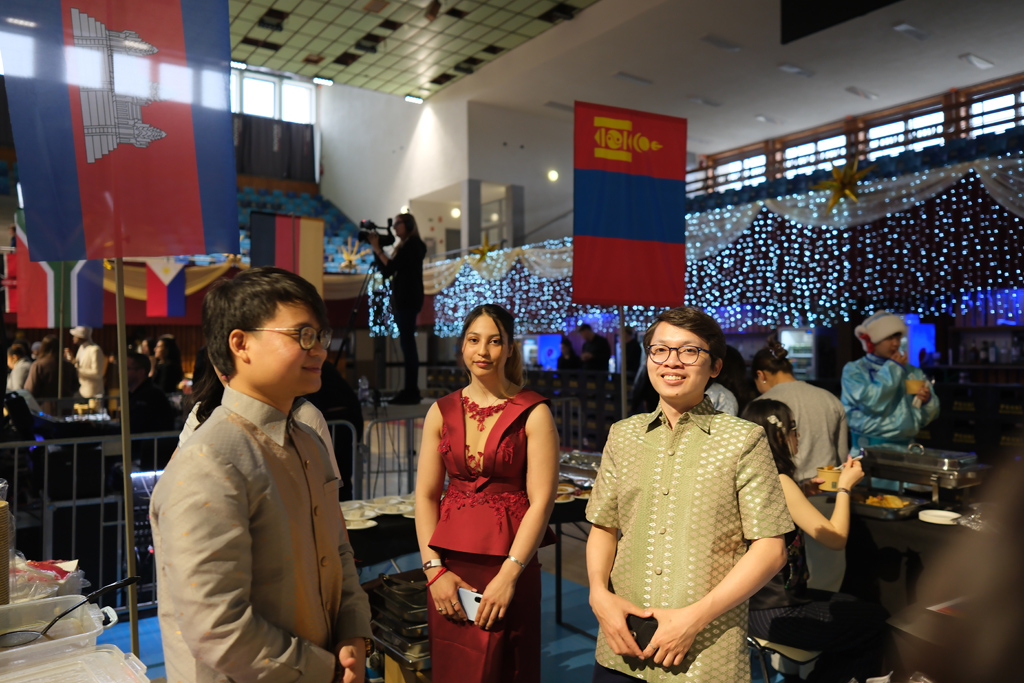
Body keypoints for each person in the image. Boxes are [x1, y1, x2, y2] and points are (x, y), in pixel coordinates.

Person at [150, 267, 372, 683]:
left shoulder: (308, 441)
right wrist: (324, 670)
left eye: (321, 336)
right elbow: (218, 626)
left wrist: (353, 630)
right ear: (241, 344)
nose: (319, 351)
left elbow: (338, 550)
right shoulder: (210, 460)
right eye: (302, 335)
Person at [586, 306, 791, 682]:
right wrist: (598, 594)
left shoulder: (743, 439)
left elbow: (771, 549)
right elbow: (604, 526)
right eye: (660, 350)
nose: (672, 362)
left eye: (689, 351)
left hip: (704, 653)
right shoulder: (623, 435)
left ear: (715, 366)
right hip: (621, 643)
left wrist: (694, 619)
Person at [414, 303, 559, 682]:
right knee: (454, 667)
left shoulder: (534, 411)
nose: (483, 351)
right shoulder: (441, 411)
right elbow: (426, 496)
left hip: (512, 561)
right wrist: (434, 571)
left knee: (511, 666)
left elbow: (542, 501)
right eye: (474, 340)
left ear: (510, 348)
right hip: (449, 564)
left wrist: (509, 575)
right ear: (462, 346)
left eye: (495, 341)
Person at [740, 399, 889, 683]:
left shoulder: (752, 477)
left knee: (852, 605)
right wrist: (844, 487)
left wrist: (803, 490)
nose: (798, 436)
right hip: (776, 610)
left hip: (751, 606)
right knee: (877, 622)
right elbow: (836, 538)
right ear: (778, 436)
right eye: (793, 428)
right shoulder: (779, 481)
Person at [841, 311, 940, 455]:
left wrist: (927, 401)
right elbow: (872, 403)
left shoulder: (913, 372)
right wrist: (894, 368)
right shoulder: (855, 370)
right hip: (867, 454)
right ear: (873, 341)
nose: (896, 343)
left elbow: (928, 416)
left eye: (898, 338)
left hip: (908, 452)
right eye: (889, 338)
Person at [752, 338, 848, 482]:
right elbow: (842, 455)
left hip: (785, 488)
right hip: (828, 485)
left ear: (761, 375)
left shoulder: (760, 408)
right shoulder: (830, 399)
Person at [368, 212, 427, 404]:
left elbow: (391, 267)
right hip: (405, 300)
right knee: (406, 344)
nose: (394, 228)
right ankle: (410, 390)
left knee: (408, 345)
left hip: (408, 300)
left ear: (408, 224)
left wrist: (377, 249)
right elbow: (387, 271)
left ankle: (411, 391)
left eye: (397, 224)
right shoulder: (407, 245)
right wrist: (378, 251)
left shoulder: (414, 245)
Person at [25, 334, 78, 415]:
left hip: (44, 408)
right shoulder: (69, 366)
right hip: (66, 408)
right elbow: (75, 386)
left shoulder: (38, 365)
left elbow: (30, 389)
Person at [125, 352, 176, 434]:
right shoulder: (132, 394)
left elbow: (137, 427)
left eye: (127, 368)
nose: (120, 372)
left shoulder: (153, 395)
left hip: (149, 441)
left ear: (141, 372)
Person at [65, 326, 106, 399]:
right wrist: (72, 361)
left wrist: (77, 370)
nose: (73, 338)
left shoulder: (95, 350)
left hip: (92, 393)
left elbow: (97, 373)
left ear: (80, 337)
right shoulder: (81, 348)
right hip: (80, 390)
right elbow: (80, 365)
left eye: (75, 336)